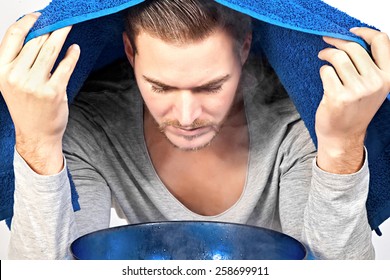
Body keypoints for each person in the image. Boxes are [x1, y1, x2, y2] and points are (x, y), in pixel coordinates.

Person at [1, 0, 389, 259]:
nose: (186, 117)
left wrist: (341, 145)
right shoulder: (89, 127)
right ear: (130, 53)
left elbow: (335, 270)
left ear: (243, 49)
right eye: (161, 87)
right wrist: (36, 141)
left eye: (210, 86)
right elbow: (46, 270)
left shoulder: (299, 126)